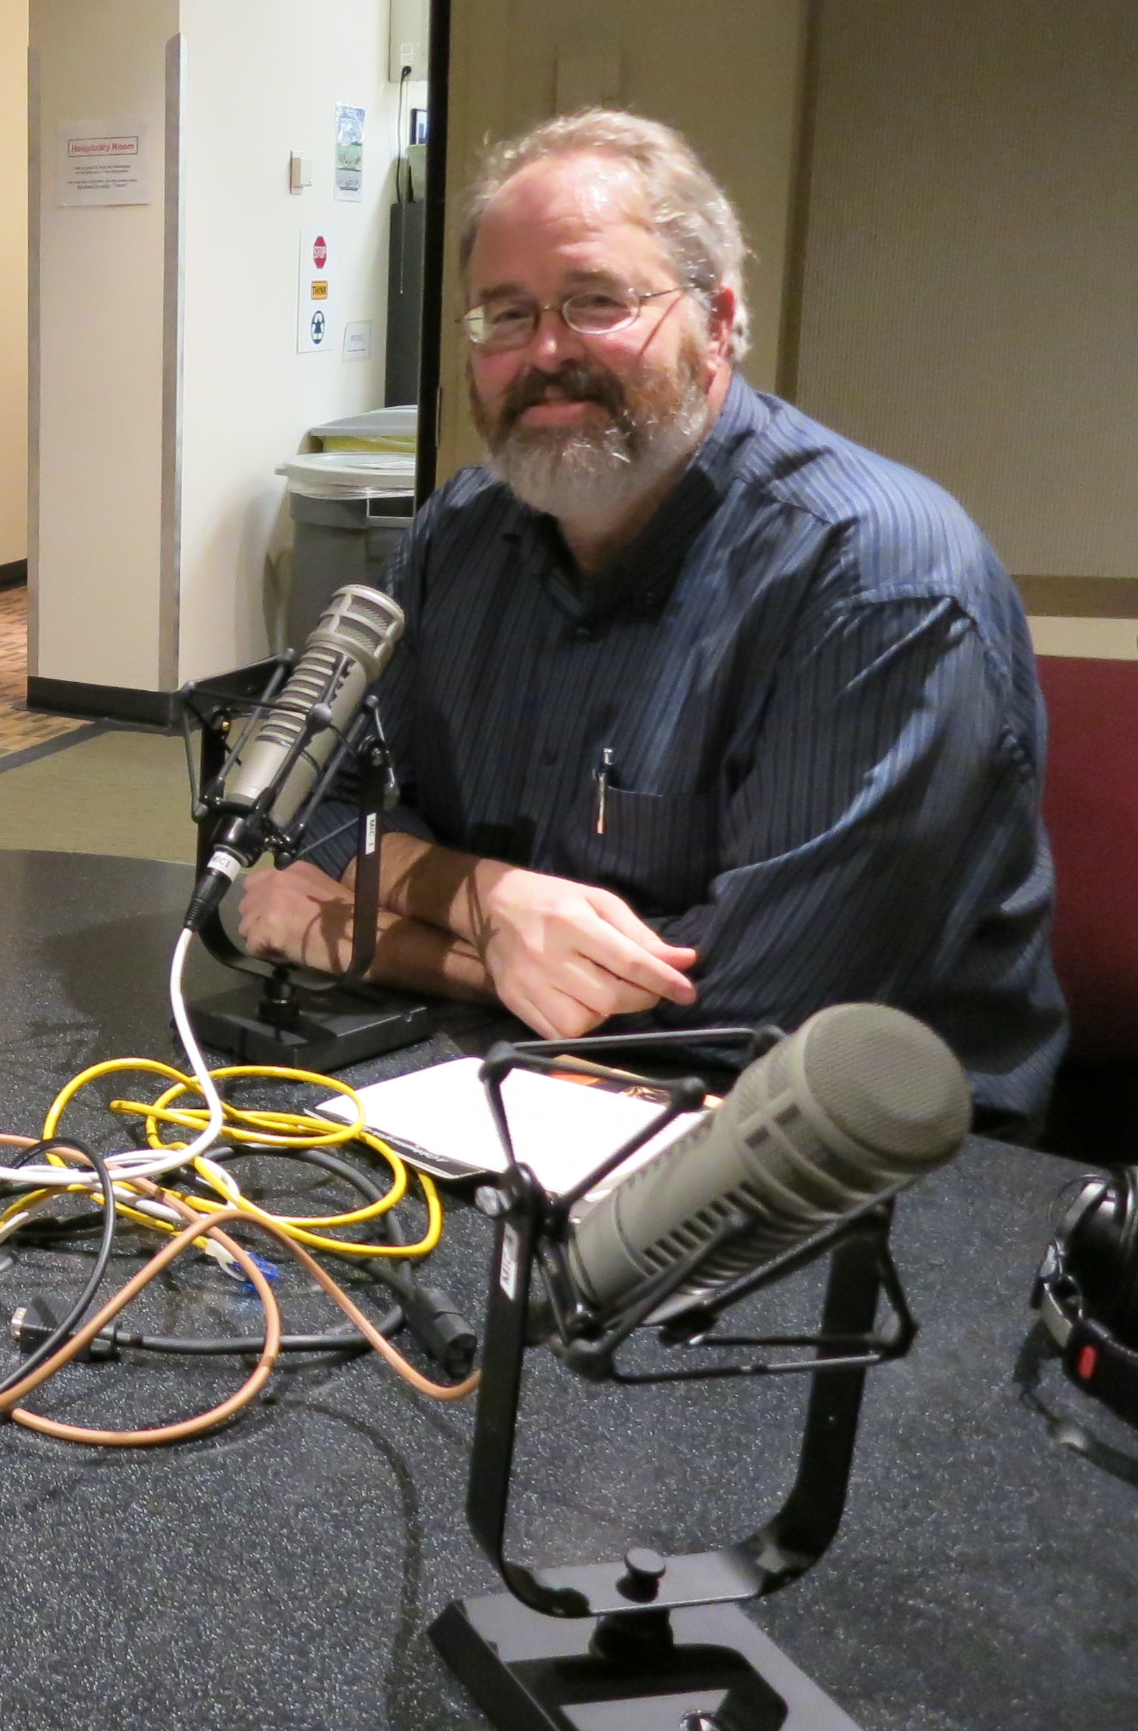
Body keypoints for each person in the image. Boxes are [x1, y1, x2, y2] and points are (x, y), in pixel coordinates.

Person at [237, 110, 1065, 1125]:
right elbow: (304, 788)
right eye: (503, 315)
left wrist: (379, 936)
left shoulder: (877, 577)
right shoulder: (461, 530)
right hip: (507, 1087)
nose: (544, 352)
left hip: (851, 1160)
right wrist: (492, 900)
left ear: (716, 323)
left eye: (595, 302)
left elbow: (739, 1016)